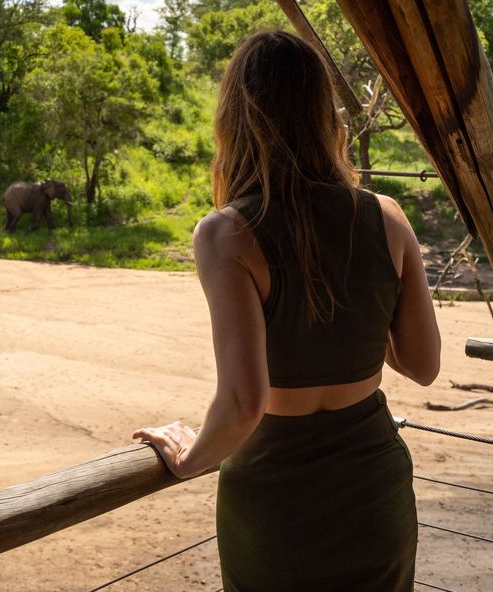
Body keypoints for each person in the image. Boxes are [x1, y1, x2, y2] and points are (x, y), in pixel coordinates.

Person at [133, 30, 441, 591]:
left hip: (276, 496)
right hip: (374, 487)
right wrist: (358, 305)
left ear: (235, 119)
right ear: (326, 116)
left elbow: (244, 402)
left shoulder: (226, 234)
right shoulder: (388, 217)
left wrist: (188, 458)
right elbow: (422, 363)